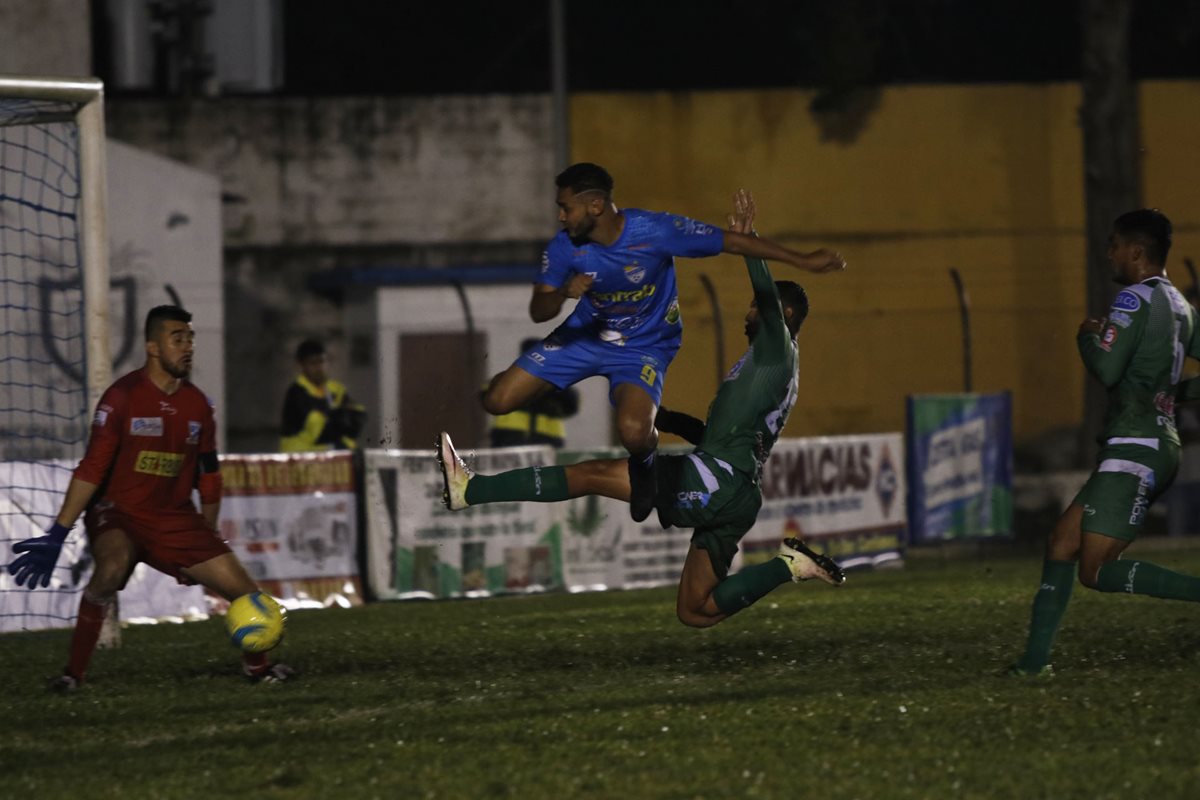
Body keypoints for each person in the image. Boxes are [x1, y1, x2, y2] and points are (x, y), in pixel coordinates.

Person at [443, 191, 844, 628]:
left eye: (753, 311)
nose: (747, 316)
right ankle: (788, 566)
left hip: (718, 483)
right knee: (696, 611)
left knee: (590, 474)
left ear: (780, 314)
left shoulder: (776, 348)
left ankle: (472, 490)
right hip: (735, 490)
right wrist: (665, 419)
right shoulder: (773, 367)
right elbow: (718, 432)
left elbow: (766, 298)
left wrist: (750, 246)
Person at [481, 163, 845, 524]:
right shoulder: (564, 249)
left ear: (595, 206)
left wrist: (804, 260)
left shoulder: (654, 230)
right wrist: (563, 292)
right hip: (586, 337)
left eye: (566, 207)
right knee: (498, 401)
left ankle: (645, 469)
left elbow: (730, 241)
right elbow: (539, 310)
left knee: (634, 432)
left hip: (646, 346)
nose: (561, 217)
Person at [7, 305, 294, 689]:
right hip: (118, 512)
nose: (187, 347)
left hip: (173, 516)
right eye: (177, 338)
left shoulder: (199, 406)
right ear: (153, 347)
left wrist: (206, 537)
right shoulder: (121, 398)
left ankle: (258, 670)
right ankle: (72, 675)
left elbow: (209, 475)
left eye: (190, 338)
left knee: (246, 593)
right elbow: (92, 470)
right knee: (110, 571)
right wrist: (58, 532)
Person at [1010, 209, 1200, 676]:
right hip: (1153, 442)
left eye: (1114, 244)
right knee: (1061, 542)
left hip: (1134, 449)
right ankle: (1032, 667)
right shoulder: (1183, 307)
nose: (1109, 253)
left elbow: (1107, 370)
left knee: (1095, 571)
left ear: (1136, 252)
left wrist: (1086, 338)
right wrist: (1168, 394)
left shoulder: (1133, 301)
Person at [489, 338, 580, 449]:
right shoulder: (509, 381)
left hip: (546, 448)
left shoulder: (555, 383)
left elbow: (572, 405)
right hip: (509, 445)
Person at [280, 338, 366, 452]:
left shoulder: (335, 389)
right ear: (301, 366)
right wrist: (339, 419)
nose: (319, 368)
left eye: (321, 361)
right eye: (312, 363)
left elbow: (356, 416)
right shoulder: (296, 393)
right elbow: (318, 428)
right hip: (300, 457)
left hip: (328, 454)